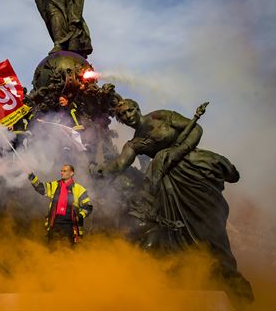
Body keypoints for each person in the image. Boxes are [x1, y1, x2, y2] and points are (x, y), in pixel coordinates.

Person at [100, 99, 254, 303]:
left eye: (129, 111)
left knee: (210, 229)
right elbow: (120, 164)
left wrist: (175, 153)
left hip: (192, 170)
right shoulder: (135, 143)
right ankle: (190, 274)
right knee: (174, 233)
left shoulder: (161, 116)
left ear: (137, 108)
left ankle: (232, 282)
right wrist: (98, 171)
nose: (128, 116)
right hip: (168, 186)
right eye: (123, 116)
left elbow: (195, 128)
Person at [28, 164, 93, 246]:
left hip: (70, 226)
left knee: (69, 252)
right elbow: (40, 188)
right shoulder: (55, 185)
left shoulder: (79, 189)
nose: (62, 173)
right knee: (52, 250)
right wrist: (31, 176)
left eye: (65, 171)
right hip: (55, 224)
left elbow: (88, 207)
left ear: (71, 173)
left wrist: (79, 216)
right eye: (61, 171)